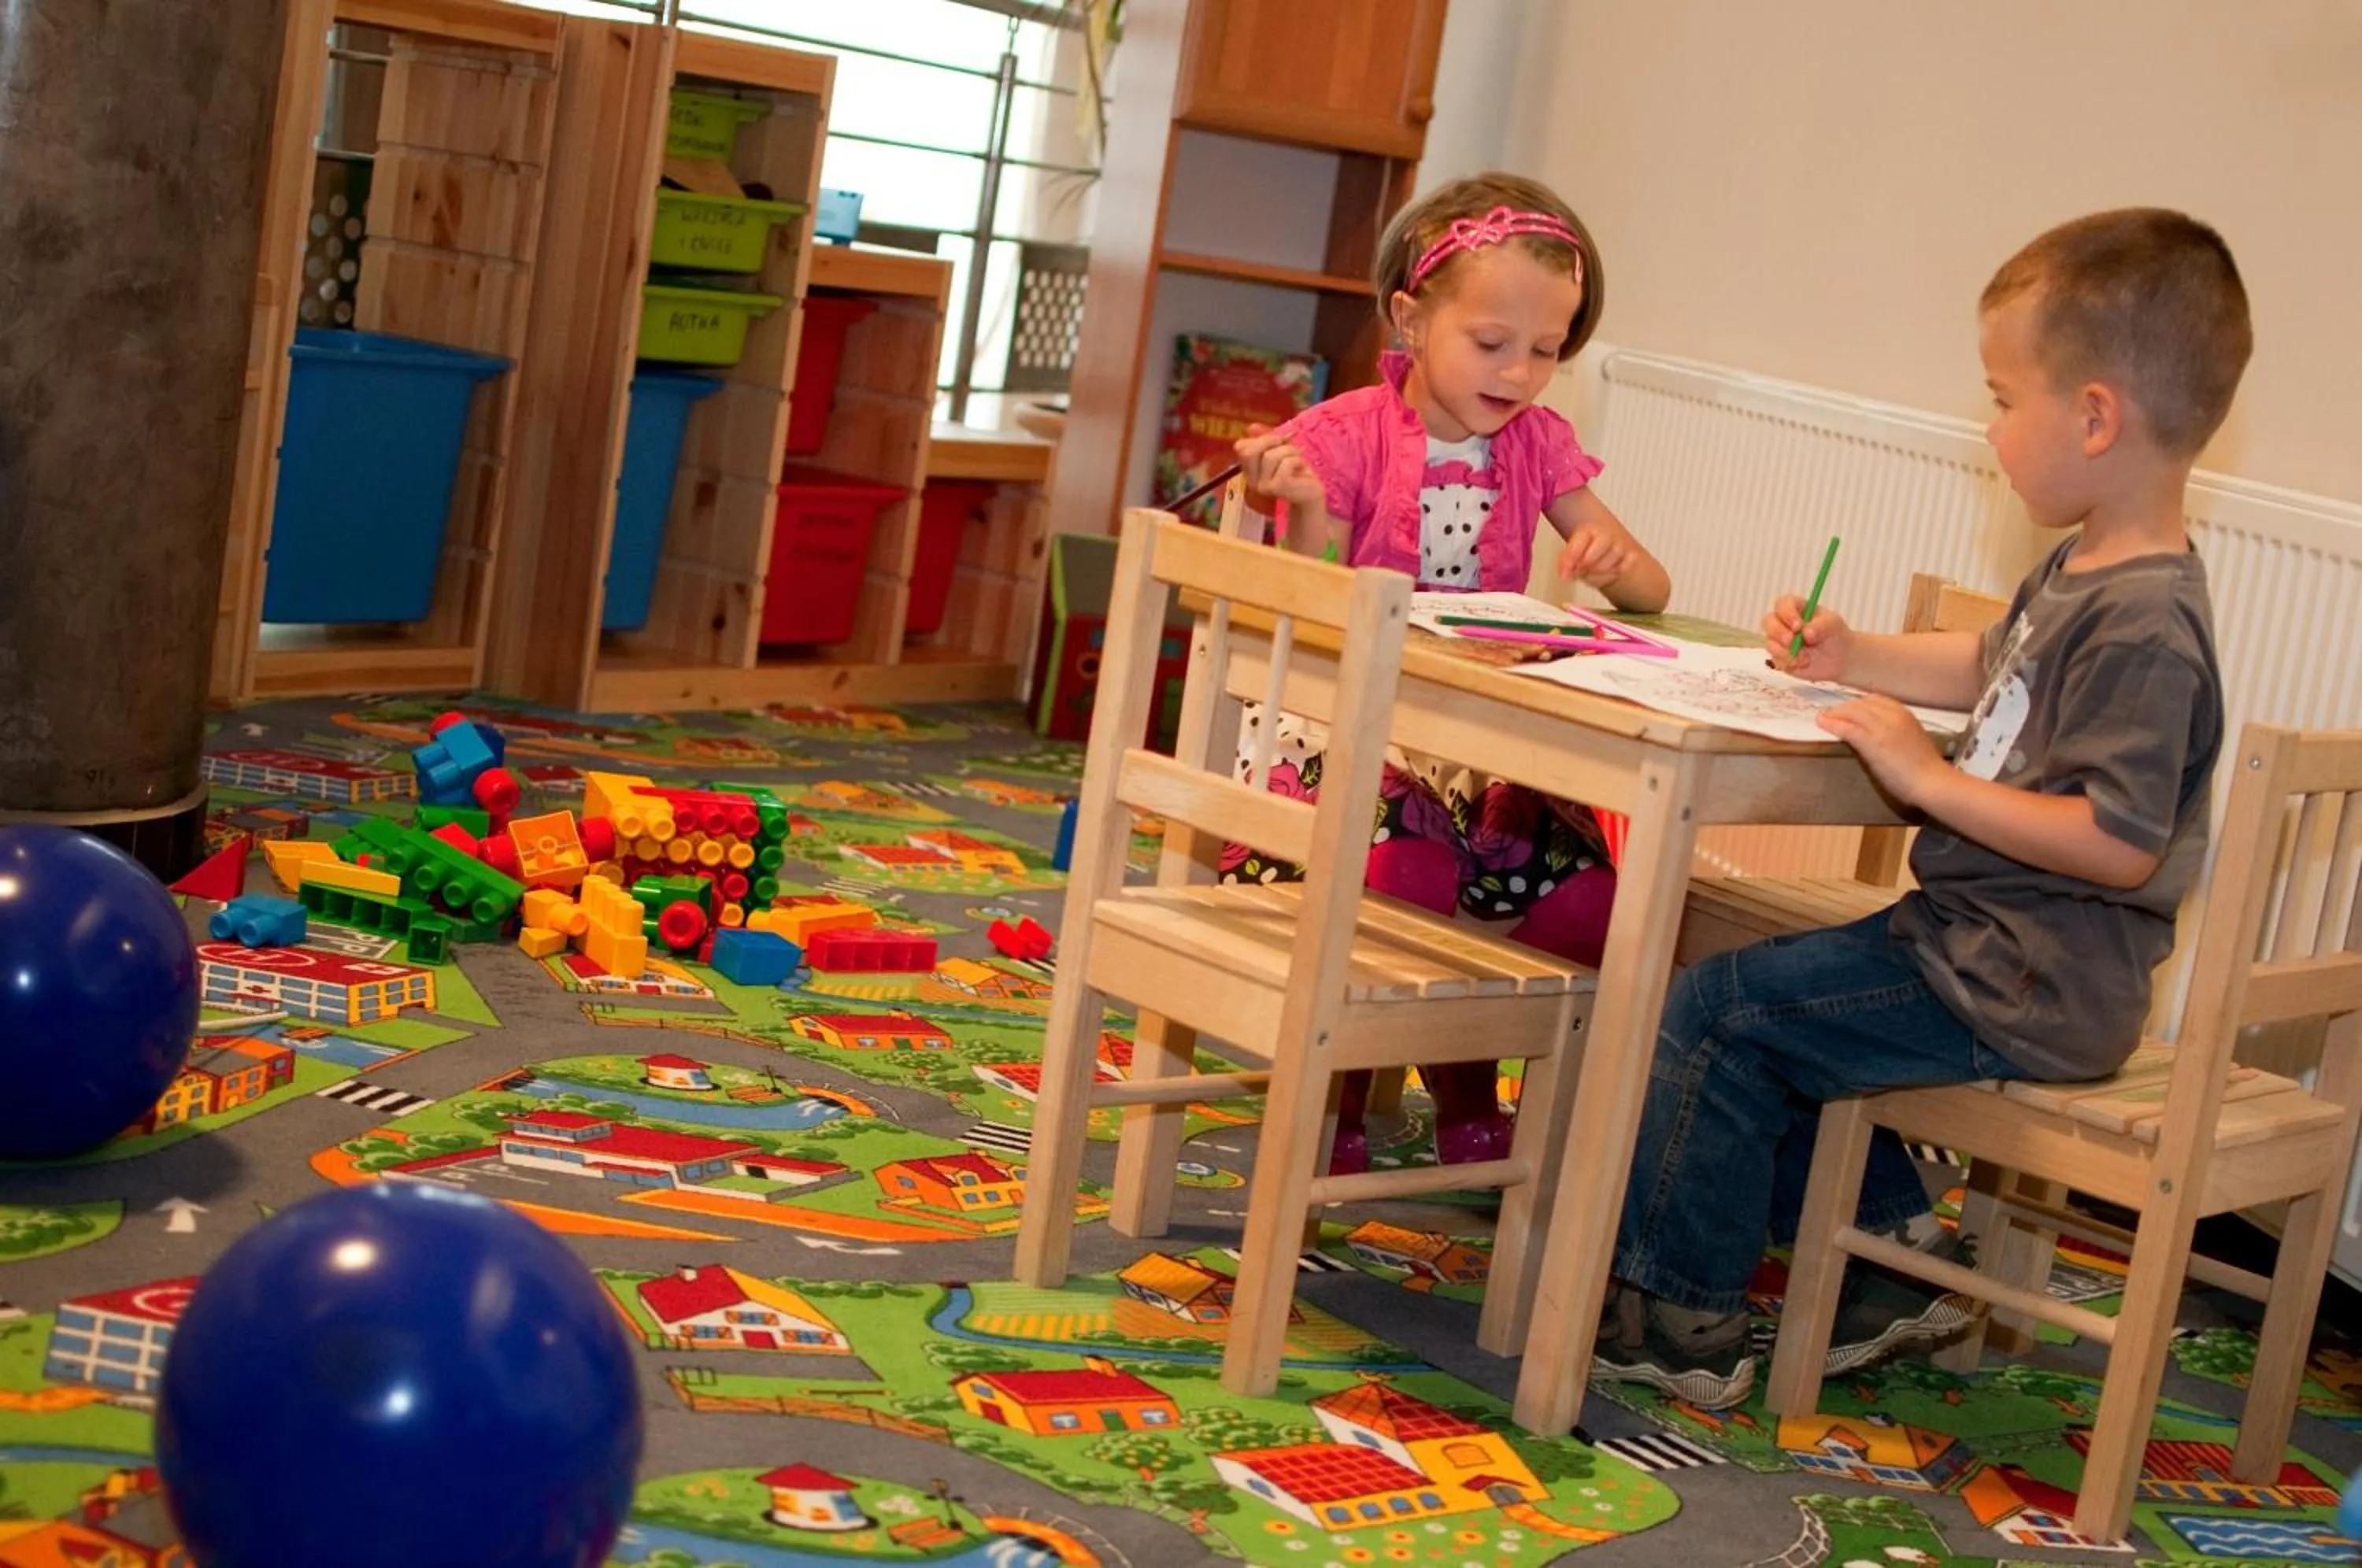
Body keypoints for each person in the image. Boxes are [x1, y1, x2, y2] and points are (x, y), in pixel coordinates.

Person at [1594, 207, 2249, 1409]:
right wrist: (1859, 655)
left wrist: (1930, 782)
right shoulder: (2086, 568)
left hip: (2026, 978)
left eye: (2005, 399)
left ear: (2096, 416)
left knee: (1722, 1015)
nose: (1990, 429)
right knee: (1772, 993)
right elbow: (1987, 664)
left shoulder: (2150, 622)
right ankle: (1892, 1264)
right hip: (1978, 947)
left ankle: (1678, 1316)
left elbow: (2118, 840)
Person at [1225, 173, 1672, 1175]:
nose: (1519, 373)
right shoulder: (1342, 435)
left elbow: (1651, 585)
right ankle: (1335, 1096)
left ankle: (1463, 1070)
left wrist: (1613, 567)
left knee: (1596, 896)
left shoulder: (1539, 445)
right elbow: (1302, 606)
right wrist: (1294, 508)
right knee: (1409, 871)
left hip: (1471, 743)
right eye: (1492, 343)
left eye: (1548, 351)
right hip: (1335, 733)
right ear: (1411, 318)